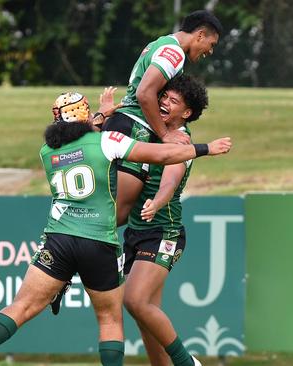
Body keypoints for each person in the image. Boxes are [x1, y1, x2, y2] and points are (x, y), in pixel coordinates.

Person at [0, 91, 231, 366]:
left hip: (58, 240)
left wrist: (102, 115)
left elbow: (79, 133)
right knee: (109, 320)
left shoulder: (47, 151)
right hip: (99, 241)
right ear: (86, 116)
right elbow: (160, 153)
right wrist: (205, 148)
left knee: (21, 306)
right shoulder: (108, 141)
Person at [104, 10, 223, 229]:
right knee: (116, 215)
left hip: (122, 124)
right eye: (211, 43)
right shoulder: (174, 53)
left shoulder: (160, 43)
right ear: (200, 34)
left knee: (111, 211)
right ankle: (71, 258)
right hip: (134, 127)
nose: (210, 51)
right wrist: (165, 134)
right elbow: (144, 93)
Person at [122, 75, 211, 366]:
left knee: (135, 301)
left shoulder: (182, 141)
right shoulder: (156, 133)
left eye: (173, 101)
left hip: (163, 232)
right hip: (136, 232)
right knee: (146, 317)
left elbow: (169, 182)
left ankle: (187, 363)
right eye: (164, 97)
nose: (164, 102)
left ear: (186, 113)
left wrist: (157, 203)